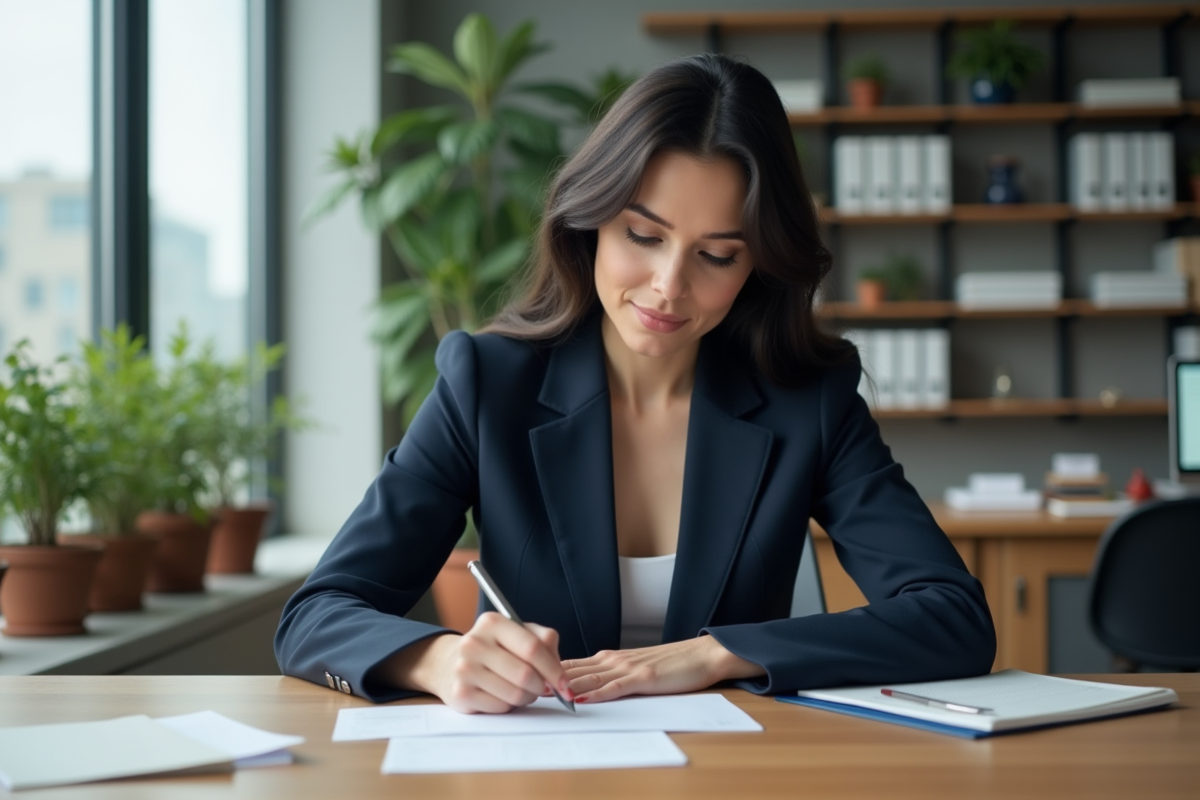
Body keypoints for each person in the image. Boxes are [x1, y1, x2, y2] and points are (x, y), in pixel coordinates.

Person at [275, 54, 995, 713]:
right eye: (643, 236)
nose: (668, 287)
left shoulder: (810, 402)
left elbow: (953, 616)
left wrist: (716, 655)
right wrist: (436, 659)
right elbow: (316, 616)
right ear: (589, 222)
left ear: (757, 269)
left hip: (733, 775)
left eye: (715, 255)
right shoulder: (486, 384)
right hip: (536, 775)